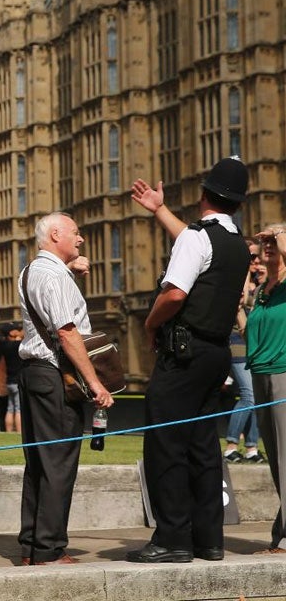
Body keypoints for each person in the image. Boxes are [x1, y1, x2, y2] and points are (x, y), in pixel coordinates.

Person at [126, 158, 251, 563]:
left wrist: (149, 323)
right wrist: (160, 210)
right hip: (215, 355)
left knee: (165, 443)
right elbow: (198, 245)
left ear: (203, 195)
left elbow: (176, 293)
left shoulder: (197, 238)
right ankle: (208, 539)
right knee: (202, 446)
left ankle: (173, 539)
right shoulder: (235, 243)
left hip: (183, 353)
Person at [17, 212, 114, 566]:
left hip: (32, 373)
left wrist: (72, 271)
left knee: (39, 464)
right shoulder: (55, 277)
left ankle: (31, 546)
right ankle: (50, 549)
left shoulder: (31, 271)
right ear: (55, 234)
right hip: (56, 375)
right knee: (59, 462)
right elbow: (67, 332)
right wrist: (95, 382)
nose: (81, 239)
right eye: (75, 233)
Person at [243, 223, 286, 554]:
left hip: (284, 374)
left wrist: (281, 236)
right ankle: (281, 533)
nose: (266, 246)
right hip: (260, 373)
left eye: (273, 242)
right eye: (263, 242)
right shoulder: (262, 290)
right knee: (275, 460)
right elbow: (251, 334)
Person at [223, 239, 265, 464]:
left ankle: (251, 448)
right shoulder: (235, 278)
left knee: (257, 396)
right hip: (237, 342)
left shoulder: (261, 281)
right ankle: (231, 446)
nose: (256, 261)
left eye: (258, 257)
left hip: (256, 344)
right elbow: (239, 299)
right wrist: (244, 271)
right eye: (251, 257)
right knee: (249, 394)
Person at [2, 323, 24, 433]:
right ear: (11, 333)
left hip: (9, 381)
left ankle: (9, 431)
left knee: (10, 408)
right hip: (17, 381)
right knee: (18, 409)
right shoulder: (17, 345)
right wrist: (19, 337)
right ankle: (19, 431)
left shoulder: (5, 345)